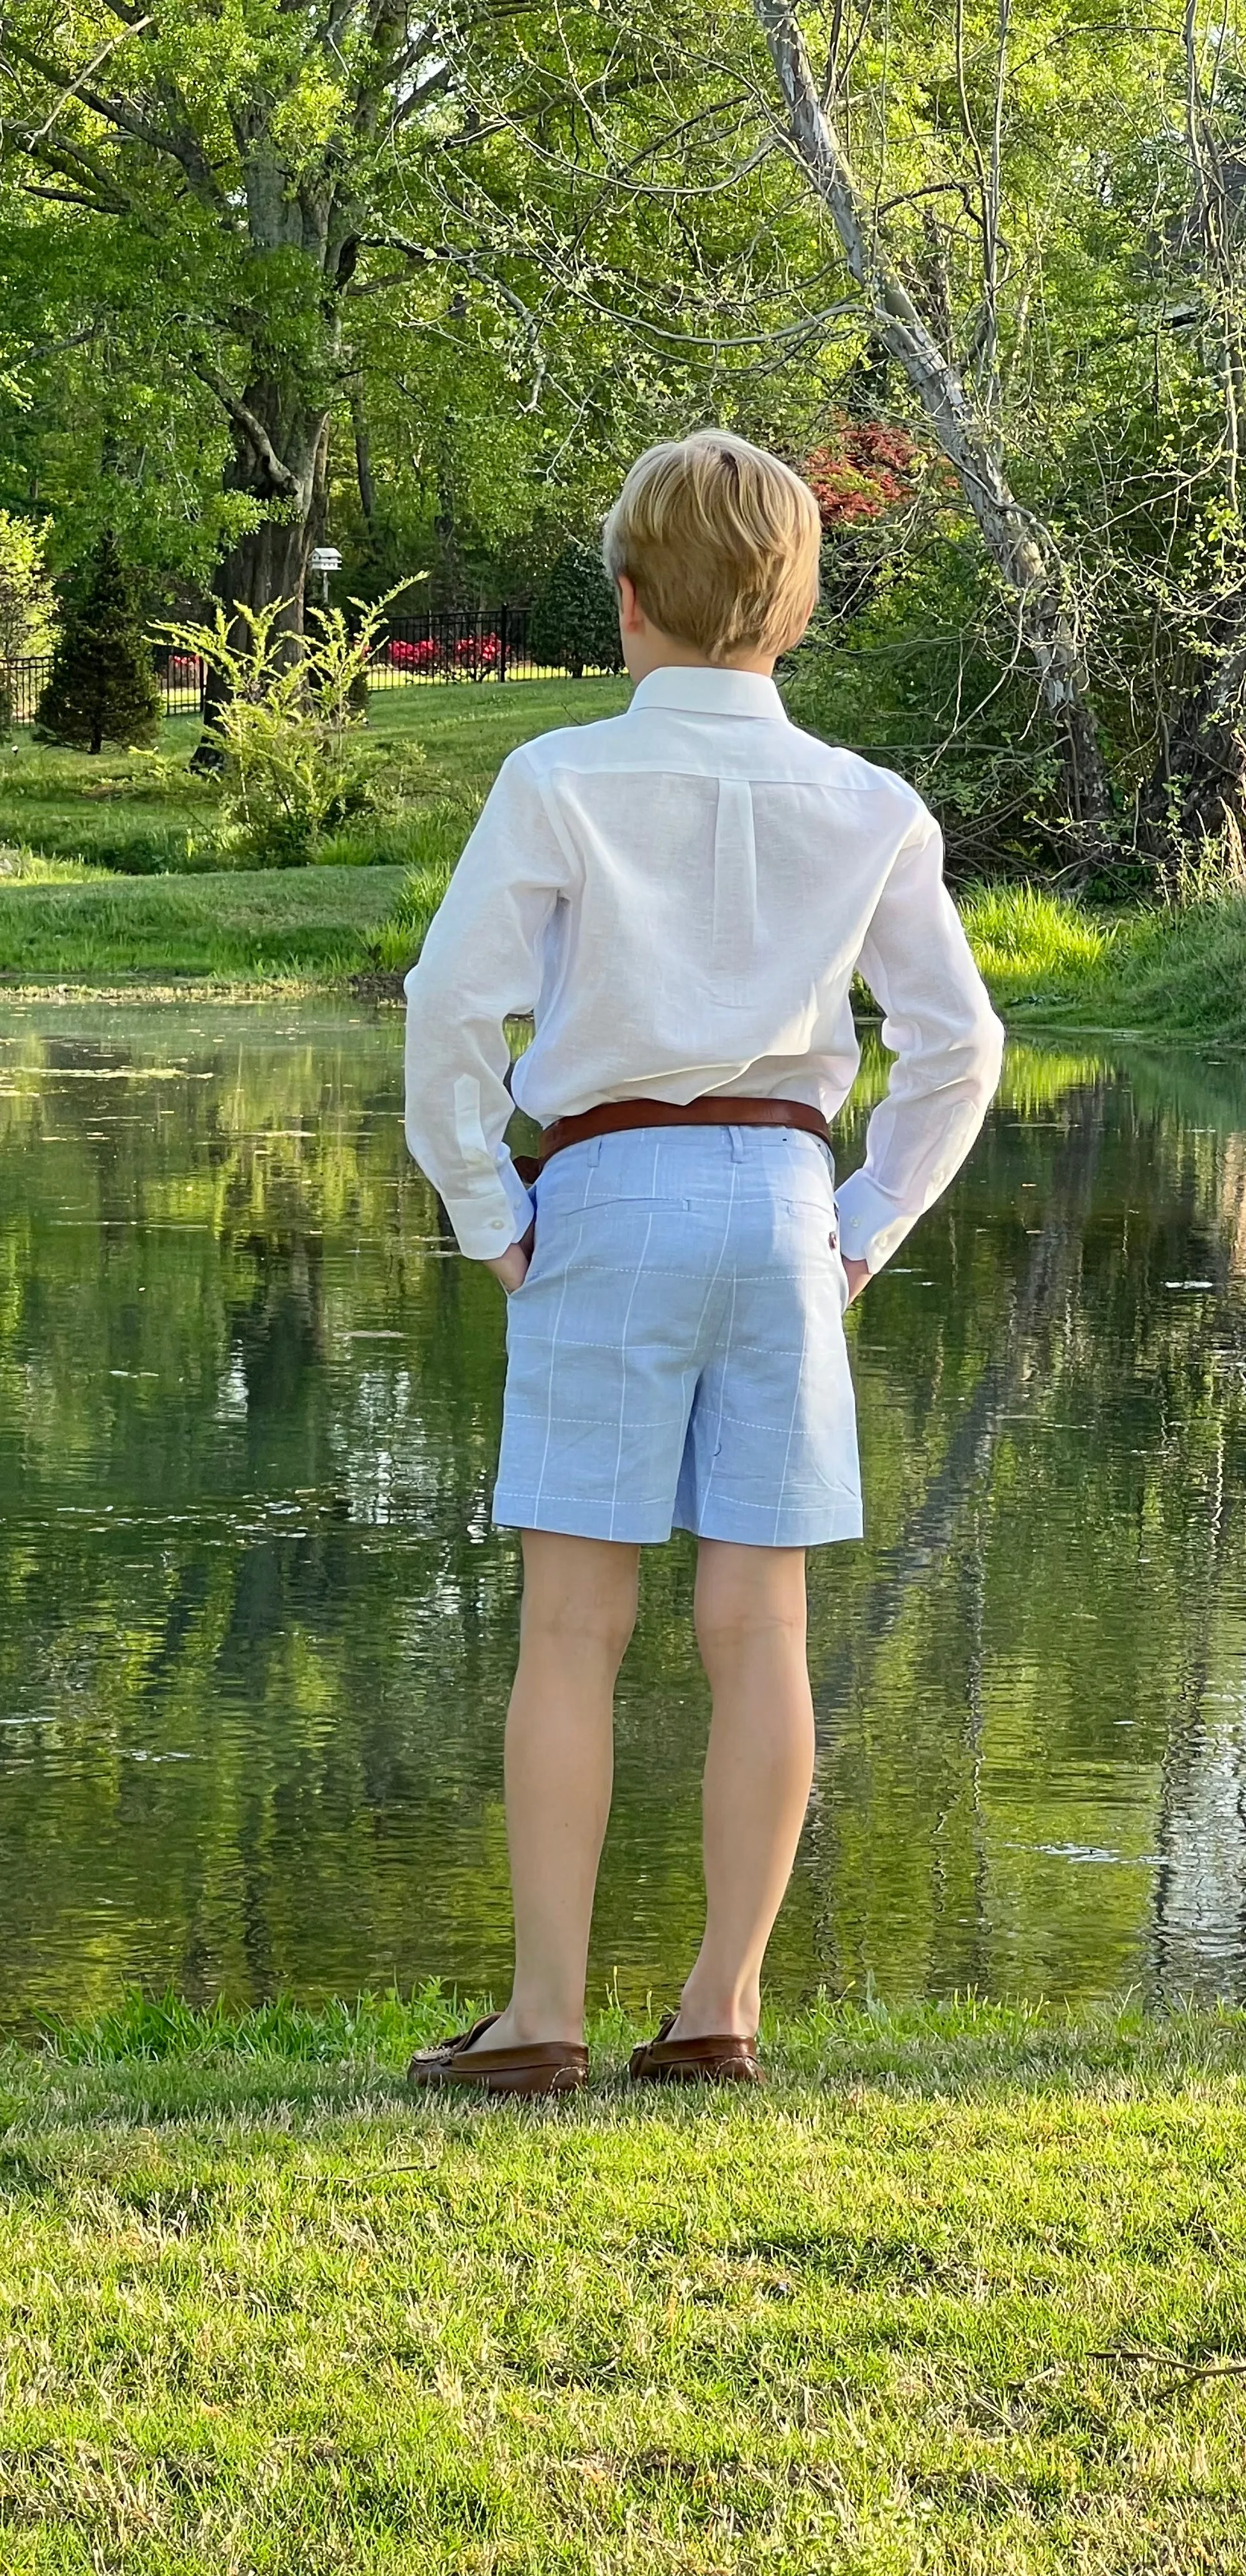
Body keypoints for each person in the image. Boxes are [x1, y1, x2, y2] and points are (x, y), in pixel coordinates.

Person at [400, 431, 1003, 2096]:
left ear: (625, 601)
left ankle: (541, 2019)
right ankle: (719, 2007)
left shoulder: (562, 778)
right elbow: (959, 1049)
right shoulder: (868, 803)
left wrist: (485, 1209)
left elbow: (450, 1010)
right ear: (794, 608)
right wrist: (864, 1231)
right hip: (779, 1202)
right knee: (763, 1625)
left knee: (575, 1629)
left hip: (605, 1190)